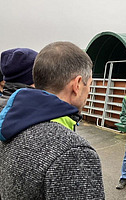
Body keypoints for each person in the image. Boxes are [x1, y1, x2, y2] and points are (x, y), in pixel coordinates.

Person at [0, 42, 105, 199]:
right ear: (77, 85)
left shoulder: (10, 124)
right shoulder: (74, 152)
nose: (88, 92)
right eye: (89, 84)